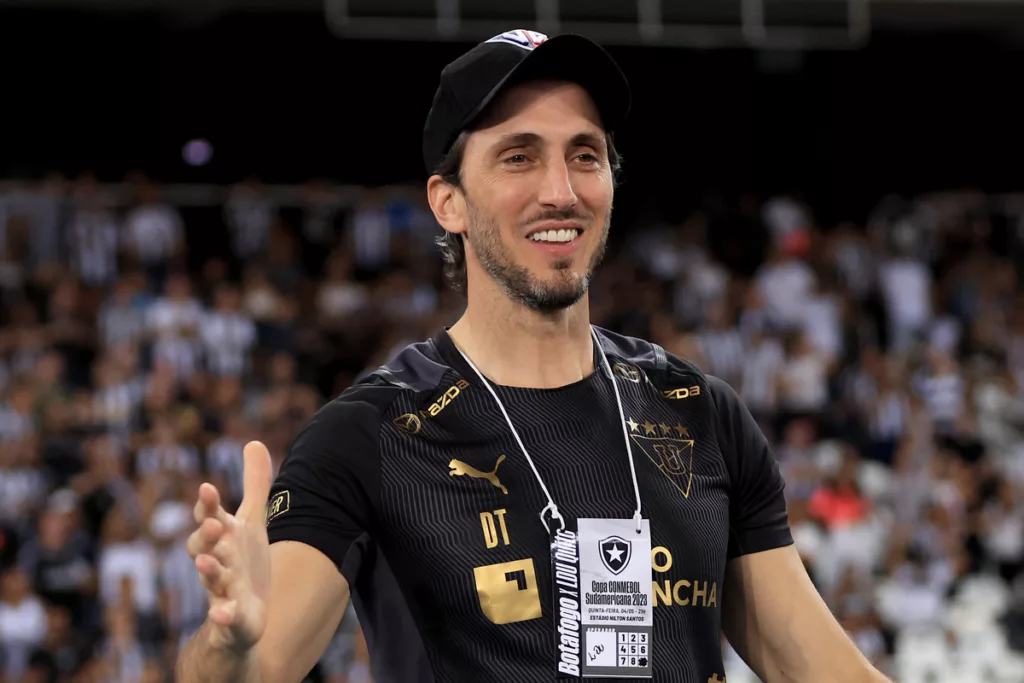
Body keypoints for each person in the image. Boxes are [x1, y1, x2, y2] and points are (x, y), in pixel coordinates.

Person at [175, 29, 891, 683]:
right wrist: (226, 646)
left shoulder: (703, 416)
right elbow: (254, 668)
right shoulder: (370, 435)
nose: (560, 191)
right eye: (518, 157)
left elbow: (828, 671)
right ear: (448, 201)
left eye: (585, 155)